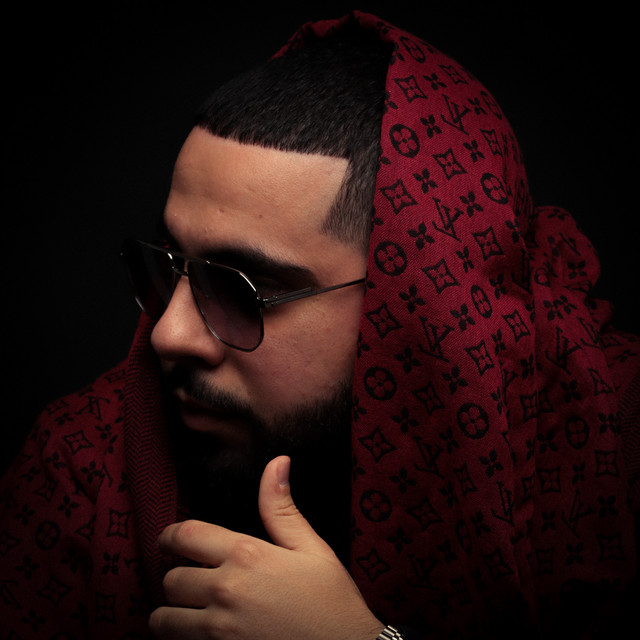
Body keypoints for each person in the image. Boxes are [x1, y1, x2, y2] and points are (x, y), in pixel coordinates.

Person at [1, 10, 638, 640]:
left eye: (242, 288)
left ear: (414, 305)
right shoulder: (77, 470)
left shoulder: (613, 449)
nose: (169, 335)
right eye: (170, 265)